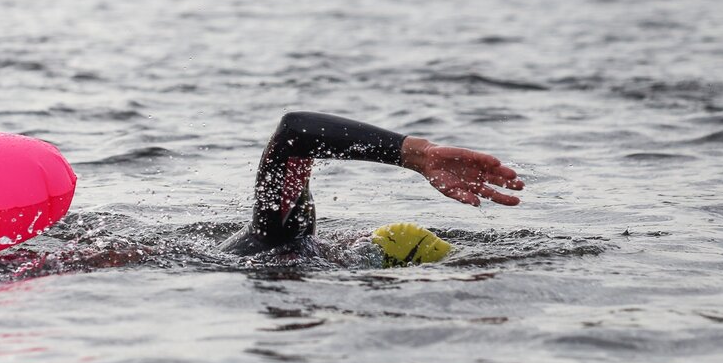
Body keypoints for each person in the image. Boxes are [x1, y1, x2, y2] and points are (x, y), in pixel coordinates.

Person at [220, 112, 524, 261]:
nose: (360, 238)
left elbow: (295, 133)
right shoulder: (276, 241)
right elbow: (293, 131)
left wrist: (418, 154)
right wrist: (417, 155)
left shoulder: (286, 238)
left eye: (362, 242)